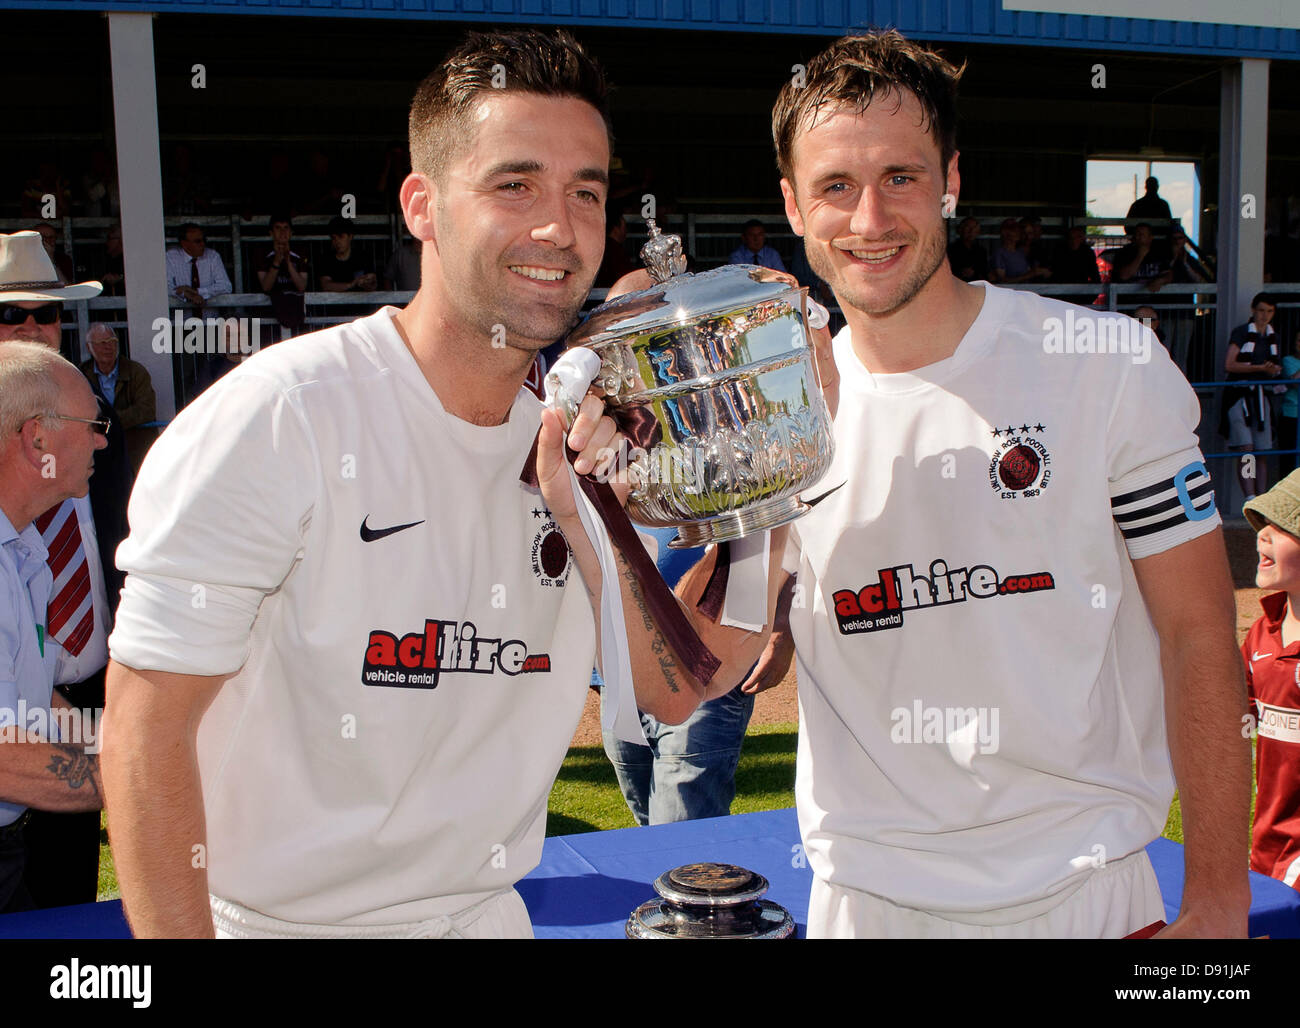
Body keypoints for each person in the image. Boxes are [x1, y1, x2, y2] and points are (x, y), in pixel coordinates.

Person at [101, 28, 774, 940]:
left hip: (487, 920)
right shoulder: (283, 416)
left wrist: (765, 502)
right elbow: (146, 727)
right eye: (514, 184)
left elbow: (675, 690)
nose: (559, 226)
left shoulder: (573, 441)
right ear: (421, 205)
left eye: (587, 191)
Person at [750, 29, 1248, 937]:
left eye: (901, 177)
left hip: (1088, 900)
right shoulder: (775, 411)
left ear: (950, 180)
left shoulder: (1103, 366)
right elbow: (720, 665)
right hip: (868, 909)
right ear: (792, 203)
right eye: (835, 186)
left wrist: (1218, 901)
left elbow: (1199, 634)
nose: (869, 220)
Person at [0, 232, 128, 909]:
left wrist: (120, 738)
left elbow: (32, 694)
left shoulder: (25, 554)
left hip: (76, 707)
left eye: (43, 314)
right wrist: (137, 777)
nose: (101, 439)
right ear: (36, 440)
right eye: (10, 314)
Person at [1241, 473, 1300, 892]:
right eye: (1262, 525)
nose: (1263, 536)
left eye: (1280, 528)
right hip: (1266, 848)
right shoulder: (1262, 633)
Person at [1223, 292, 1281, 503]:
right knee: (1246, 449)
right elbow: (1229, 365)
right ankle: (1249, 496)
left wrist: (1272, 369)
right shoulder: (1241, 333)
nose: (1264, 316)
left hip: (1261, 396)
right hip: (1239, 395)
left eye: (1269, 311)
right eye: (1261, 310)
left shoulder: (1273, 337)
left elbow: (1277, 369)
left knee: (1262, 450)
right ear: (1253, 310)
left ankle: (1262, 498)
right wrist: (1258, 368)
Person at [80, 324, 157, 475]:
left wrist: (107, 422)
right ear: (89, 348)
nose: (109, 346)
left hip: (134, 451)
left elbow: (146, 410)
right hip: (98, 453)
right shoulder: (81, 375)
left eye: (113, 341)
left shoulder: (136, 372)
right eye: (102, 343)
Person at [254, 214, 309, 339]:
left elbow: (301, 286)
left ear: (291, 232)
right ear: (271, 233)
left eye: (286, 228)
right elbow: (266, 286)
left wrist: (289, 263)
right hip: (269, 310)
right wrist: (277, 262)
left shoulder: (300, 252)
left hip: (296, 309)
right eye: (278, 228)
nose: (282, 232)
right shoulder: (261, 252)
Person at [164, 223, 233, 308]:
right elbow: (165, 287)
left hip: (210, 319)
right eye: (198, 241)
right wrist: (183, 294)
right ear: (184, 244)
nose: (203, 244)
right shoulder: (171, 257)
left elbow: (226, 286)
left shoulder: (212, 256)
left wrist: (196, 292)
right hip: (181, 319)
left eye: (204, 240)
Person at [317, 216, 378, 293]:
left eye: (341, 236)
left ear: (350, 236)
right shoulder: (326, 259)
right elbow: (326, 285)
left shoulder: (363, 257)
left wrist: (367, 283)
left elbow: (373, 284)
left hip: (360, 303)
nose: (337, 242)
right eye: (334, 238)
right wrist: (351, 284)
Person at [989, 218, 1036, 284]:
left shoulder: (1021, 253)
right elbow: (1002, 280)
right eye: (1012, 230)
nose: (1016, 233)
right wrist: (1027, 276)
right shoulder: (999, 253)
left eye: (1016, 230)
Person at [946, 216, 987, 283]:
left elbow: (984, 271)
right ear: (960, 230)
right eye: (967, 227)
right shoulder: (951, 249)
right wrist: (961, 272)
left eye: (974, 228)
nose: (971, 231)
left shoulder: (981, 251)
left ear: (978, 232)